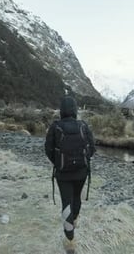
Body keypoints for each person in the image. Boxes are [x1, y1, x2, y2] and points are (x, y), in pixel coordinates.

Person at [44, 96, 96, 250]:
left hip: (63, 175)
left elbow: (48, 149)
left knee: (66, 202)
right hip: (81, 172)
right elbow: (92, 148)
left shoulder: (55, 126)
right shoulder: (83, 126)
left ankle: (70, 240)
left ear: (61, 110)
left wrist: (58, 162)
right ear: (75, 109)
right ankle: (74, 220)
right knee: (76, 197)